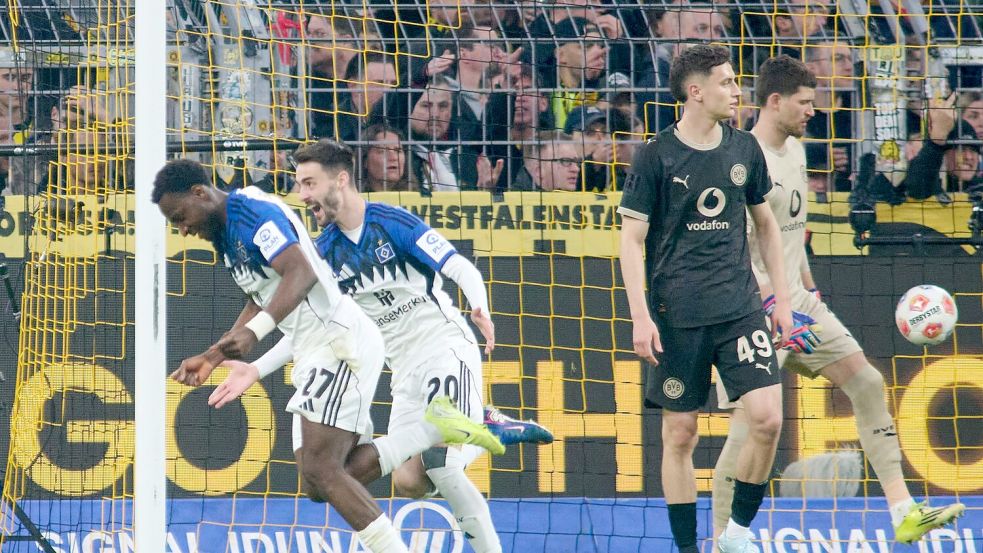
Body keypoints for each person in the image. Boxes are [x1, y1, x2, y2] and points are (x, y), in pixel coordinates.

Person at [208, 140, 553, 553]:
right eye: (298, 185)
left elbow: (457, 264)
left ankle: (473, 431)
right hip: (403, 371)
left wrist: (478, 304)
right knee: (410, 482)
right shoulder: (325, 254)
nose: (303, 196)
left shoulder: (392, 222)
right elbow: (311, 328)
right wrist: (256, 368)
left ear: (341, 179)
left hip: (443, 346)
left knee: (442, 464)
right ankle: (476, 421)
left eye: (309, 183)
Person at [712, 54, 966, 547]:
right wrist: (774, 306)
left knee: (869, 384)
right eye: (805, 103)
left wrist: (805, 283)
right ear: (775, 101)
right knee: (751, 425)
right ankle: (723, 538)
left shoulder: (797, 151)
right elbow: (729, 253)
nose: (813, 111)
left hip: (798, 302)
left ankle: (904, 512)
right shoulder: (738, 159)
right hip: (748, 310)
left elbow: (788, 230)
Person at [618, 44, 798, 553]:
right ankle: (687, 548)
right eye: (725, 82)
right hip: (677, 317)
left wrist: (781, 302)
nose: (736, 90)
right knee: (680, 437)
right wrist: (641, 315)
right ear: (695, 92)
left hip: (740, 309)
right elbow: (630, 240)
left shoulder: (744, 149)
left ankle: (736, 536)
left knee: (767, 419)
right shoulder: (655, 156)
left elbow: (766, 224)